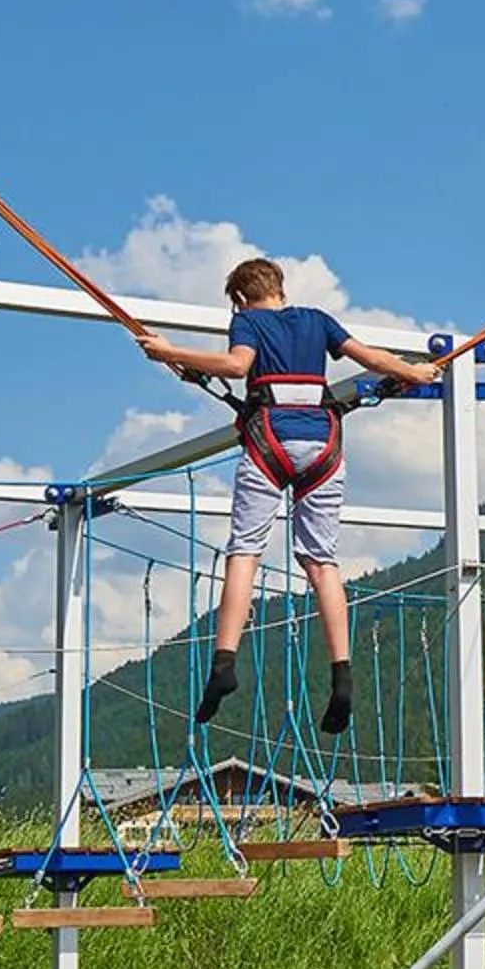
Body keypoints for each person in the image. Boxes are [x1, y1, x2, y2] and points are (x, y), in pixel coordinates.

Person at [136, 257, 439, 734]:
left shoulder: (247, 322)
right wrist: (414, 373)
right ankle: (342, 674)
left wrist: (171, 352)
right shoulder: (317, 320)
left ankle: (224, 663)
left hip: (269, 442)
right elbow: (371, 358)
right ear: (281, 288)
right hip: (323, 445)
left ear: (240, 298)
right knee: (322, 563)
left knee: (245, 552)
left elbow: (237, 366)